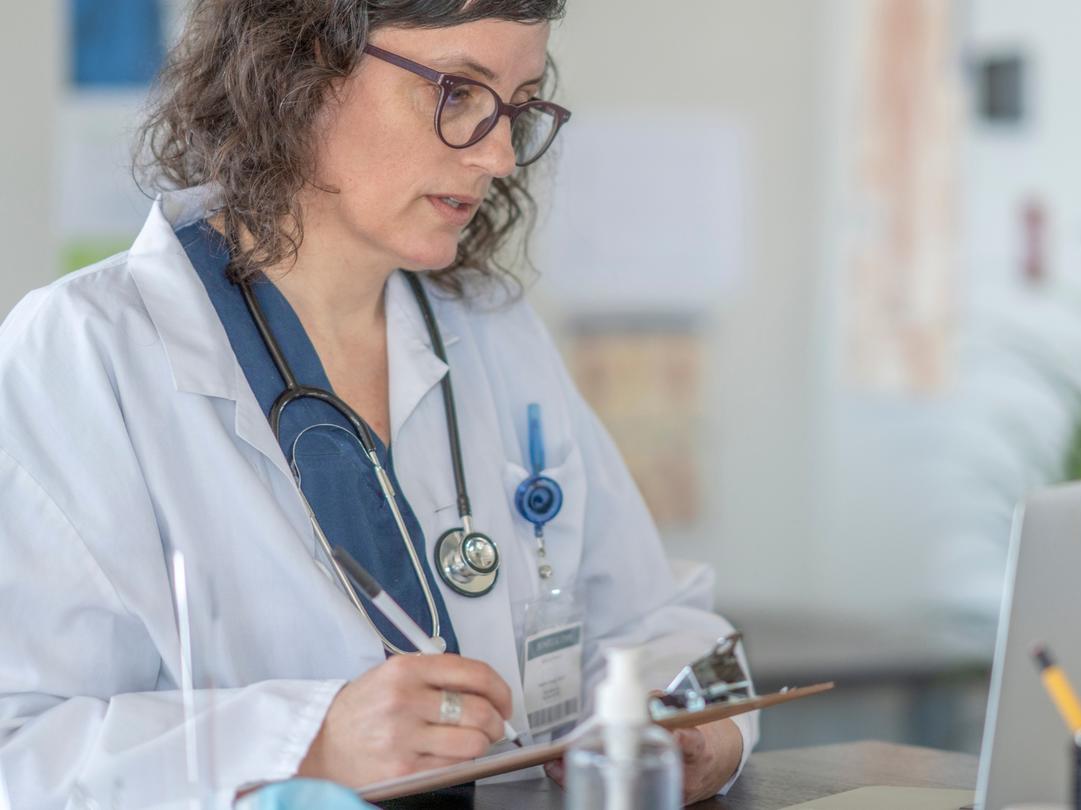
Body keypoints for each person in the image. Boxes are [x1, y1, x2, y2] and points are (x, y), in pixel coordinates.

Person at [0, 1, 754, 807]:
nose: (499, 154)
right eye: (457, 93)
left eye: (518, 106)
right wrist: (310, 742)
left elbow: (656, 624)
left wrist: (690, 725)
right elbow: (21, 749)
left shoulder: (491, 332)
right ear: (299, 71)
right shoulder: (84, 353)